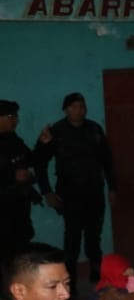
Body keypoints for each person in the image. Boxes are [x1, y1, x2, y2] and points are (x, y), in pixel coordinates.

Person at [33, 92, 116, 285]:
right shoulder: (57, 131)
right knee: (72, 241)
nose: (78, 111)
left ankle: (98, 281)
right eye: (74, 107)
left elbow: (107, 161)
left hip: (94, 192)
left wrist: (112, 187)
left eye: (81, 106)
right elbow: (39, 162)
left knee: (94, 240)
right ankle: (69, 286)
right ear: (66, 109)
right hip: (70, 195)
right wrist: (47, 192)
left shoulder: (94, 129)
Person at [0, 100, 38, 261]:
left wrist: (43, 144)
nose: (16, 120)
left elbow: (31, 160)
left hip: (19, 206)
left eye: (16, 116)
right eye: (11, 116)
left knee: (21, 249)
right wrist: (11, 176)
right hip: (2, 211)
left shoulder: (13, 138)